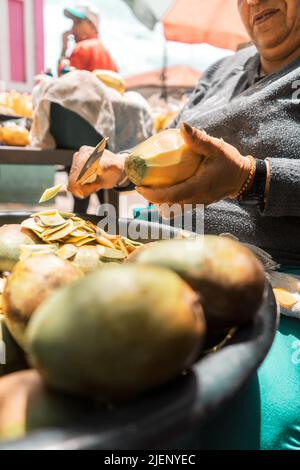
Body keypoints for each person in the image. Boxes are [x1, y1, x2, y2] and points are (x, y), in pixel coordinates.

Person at [68, 0, 300, 449]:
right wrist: (117, 167)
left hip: (279, 288)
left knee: (256, 428)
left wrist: (252, 178)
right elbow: (163, 144)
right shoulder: (220, 71)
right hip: (168, 250)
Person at [60, 3, 118, 74]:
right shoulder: (105, 52)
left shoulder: (82, 47)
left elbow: (64, 80)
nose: (72, 28)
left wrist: (63, 51)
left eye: (77, 22)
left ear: (91, 25)